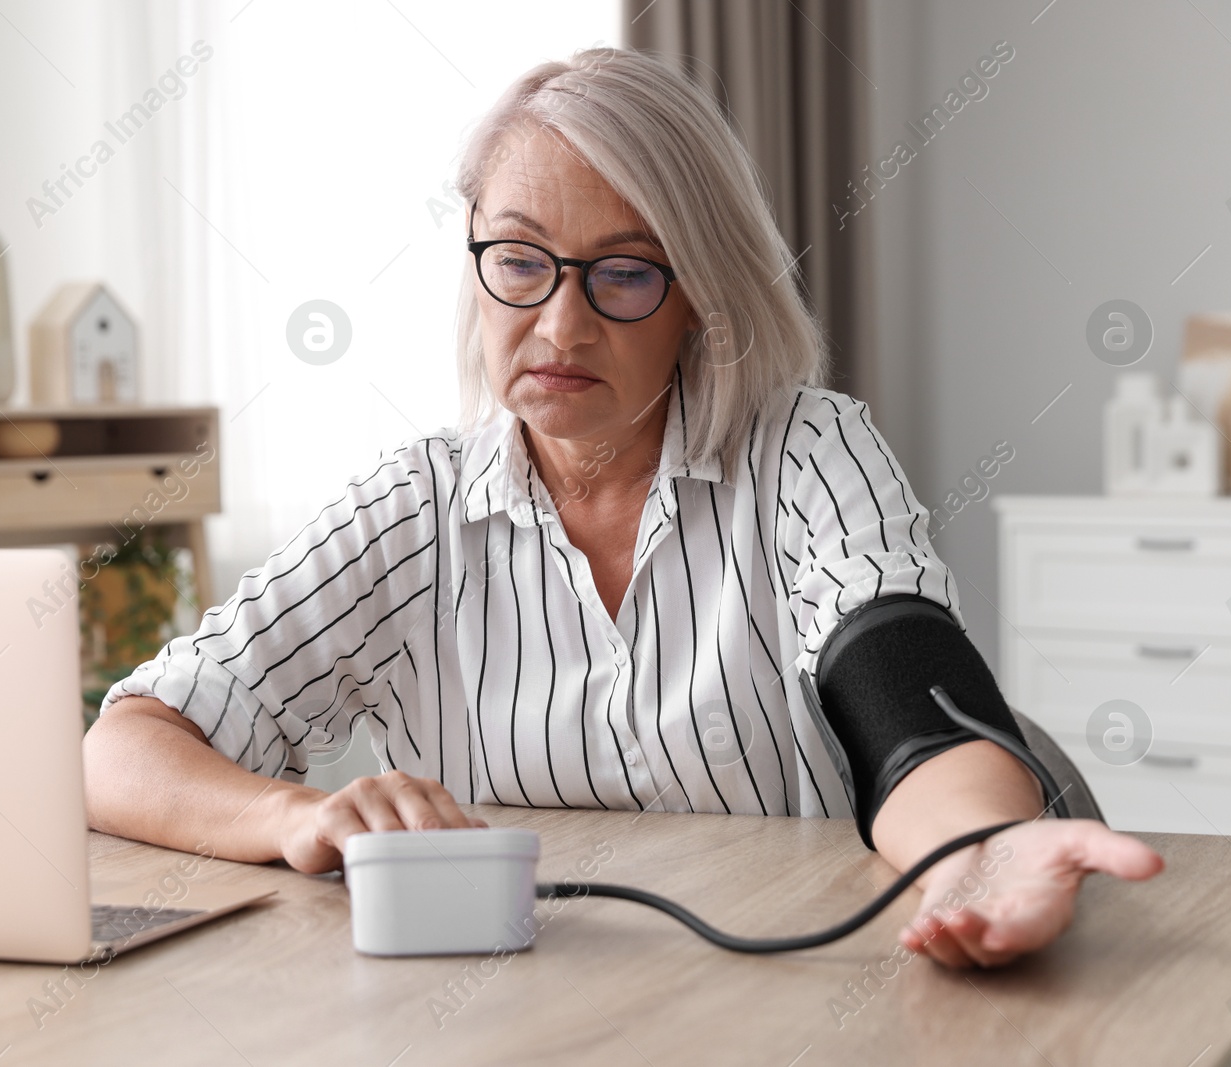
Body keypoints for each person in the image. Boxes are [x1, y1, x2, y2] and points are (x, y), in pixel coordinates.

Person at [84, 46, 1161, 969]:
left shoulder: (806, 452)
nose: (559, 327)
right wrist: (295, 814)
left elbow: (910, 708)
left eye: (625, 275)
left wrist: (983, 850)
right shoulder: (411, 508)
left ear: (701, 294)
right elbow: (124, 745)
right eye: (519, 262)